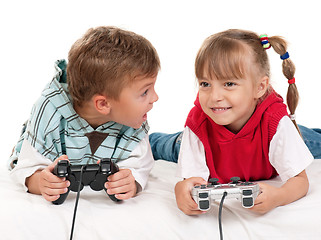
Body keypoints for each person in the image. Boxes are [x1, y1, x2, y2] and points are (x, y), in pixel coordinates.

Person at [150, 29, 318, 215]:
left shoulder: (275, 123)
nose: (214, 96)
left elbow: (300, 180)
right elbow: (192, 181)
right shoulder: (197, 124)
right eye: (205, 84)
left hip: (267, 137)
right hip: (190, 142)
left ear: (260, 87)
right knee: (162, 146)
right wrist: (181, 189)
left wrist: (279, 196)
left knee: (310, 142)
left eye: (229, 84)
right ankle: (153, 139)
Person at [8, 26, 160, 202]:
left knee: (157, 145)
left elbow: (140, 165)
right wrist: (40, 181)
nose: (155, 97)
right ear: (103, 104)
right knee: (23, 155)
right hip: (48, 144)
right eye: (145, 92)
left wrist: (130, 181)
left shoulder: (133, 120)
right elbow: (26, 167)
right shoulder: (48, 111)